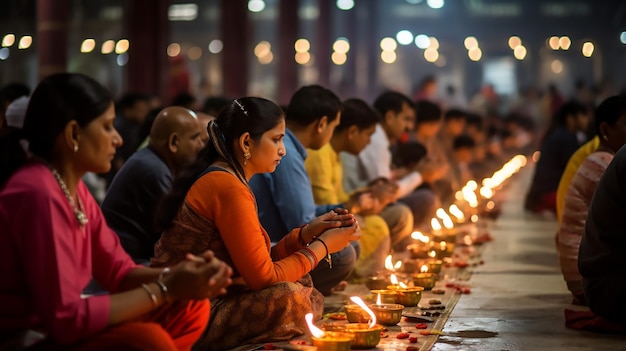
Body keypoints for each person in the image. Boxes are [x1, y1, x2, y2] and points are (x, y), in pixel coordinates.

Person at [0, 73, 232, 350]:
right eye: (108, 127)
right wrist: (168, 287)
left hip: (65, 320)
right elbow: (66, 318)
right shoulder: (37, 192)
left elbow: (119, 272)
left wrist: (181, 275)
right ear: (74, 134)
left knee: (191, 307)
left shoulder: (73, 188)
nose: (119, 139)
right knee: (148, 341)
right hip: (26, 336)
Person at [152, 97, 360, 350]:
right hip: (189, 312)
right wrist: (323, 247)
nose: (283, 150)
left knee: (300, 283)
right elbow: (263, 278)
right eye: (277, 139)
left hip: (211, 297)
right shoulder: (227, 186)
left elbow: (257, 261)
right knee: (291, 298)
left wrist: (307, 233)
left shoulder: (230, 178)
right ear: (246, 142)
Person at [249, 85, 358, 294]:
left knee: (346, 243)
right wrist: (327, 241)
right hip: (268, 256)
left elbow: (303, 223)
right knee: (344, 254)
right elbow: (300, 221)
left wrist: (340, 215)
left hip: (274, 249)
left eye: (281, 139)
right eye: (275, 139)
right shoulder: (287, 155)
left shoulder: (286, 152)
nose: (282, 149)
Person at [102, 107, 205, 264]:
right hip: (127, 263)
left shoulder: (152, 161)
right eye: (195, 138)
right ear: (174, 143)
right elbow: (177, 230)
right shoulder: (154, 169)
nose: (201, 146)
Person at [305, 98, 395, 277]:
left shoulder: (335, 155)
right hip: (315, 228)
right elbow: (330, 211)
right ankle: (358, 274)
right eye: (368, 135)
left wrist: (367, 194)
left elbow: (341, 198)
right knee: (372, 228)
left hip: (331, 218)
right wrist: (357, 206)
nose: (369, 142)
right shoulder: (320, 154)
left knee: (377, 222)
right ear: (352, 131)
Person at [344, 92, 444, 245]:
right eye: (407, 119)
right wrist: (419, 175)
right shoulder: (375, 138)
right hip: (356, 207)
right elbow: (385, 192)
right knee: (422, 202)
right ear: (390, 117)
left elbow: (383, 183)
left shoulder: (378, 138)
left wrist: (409, 173)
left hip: (360, 203)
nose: (410, 127)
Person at [558, 95, 626, 305]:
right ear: (605, 130)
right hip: (590, 278)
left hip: (583, 270)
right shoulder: (604, 165)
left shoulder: (601, 159)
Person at [525, 101, 589, 214]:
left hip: (542, 195)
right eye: (583, 116)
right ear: (570, 118)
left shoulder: (561, 134)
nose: (586, 120)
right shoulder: (565, 138)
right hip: (548, 195)